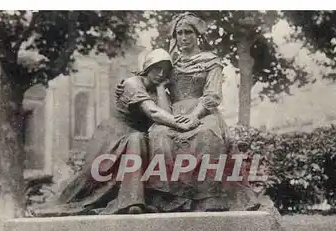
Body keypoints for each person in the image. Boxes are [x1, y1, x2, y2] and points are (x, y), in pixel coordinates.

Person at [117, 13, 261, 212]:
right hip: (173, 112)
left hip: (204, 111)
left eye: (188, 33)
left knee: (206, 134)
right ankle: (166, 197)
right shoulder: (170, 63)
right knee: (159, 134)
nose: (183, 38)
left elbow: (212, 94)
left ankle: (207, 197)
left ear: (197, 35)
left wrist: (194, 116)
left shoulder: (211, 61)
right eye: (179, 34)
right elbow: (149, 80)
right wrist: (126, 87)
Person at [30, 49, 200, 217]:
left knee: (138, 140)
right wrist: (182, 125)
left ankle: (133, 201)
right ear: (148, 67)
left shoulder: (157, 90)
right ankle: (55, 205)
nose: (161, 73)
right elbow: (154, 113)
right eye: (157, 68)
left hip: (136, 140)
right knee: (87, 183)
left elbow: (165, 116)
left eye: (165, 70)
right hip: (112, 136)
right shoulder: (132, 83)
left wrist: (162, 88)